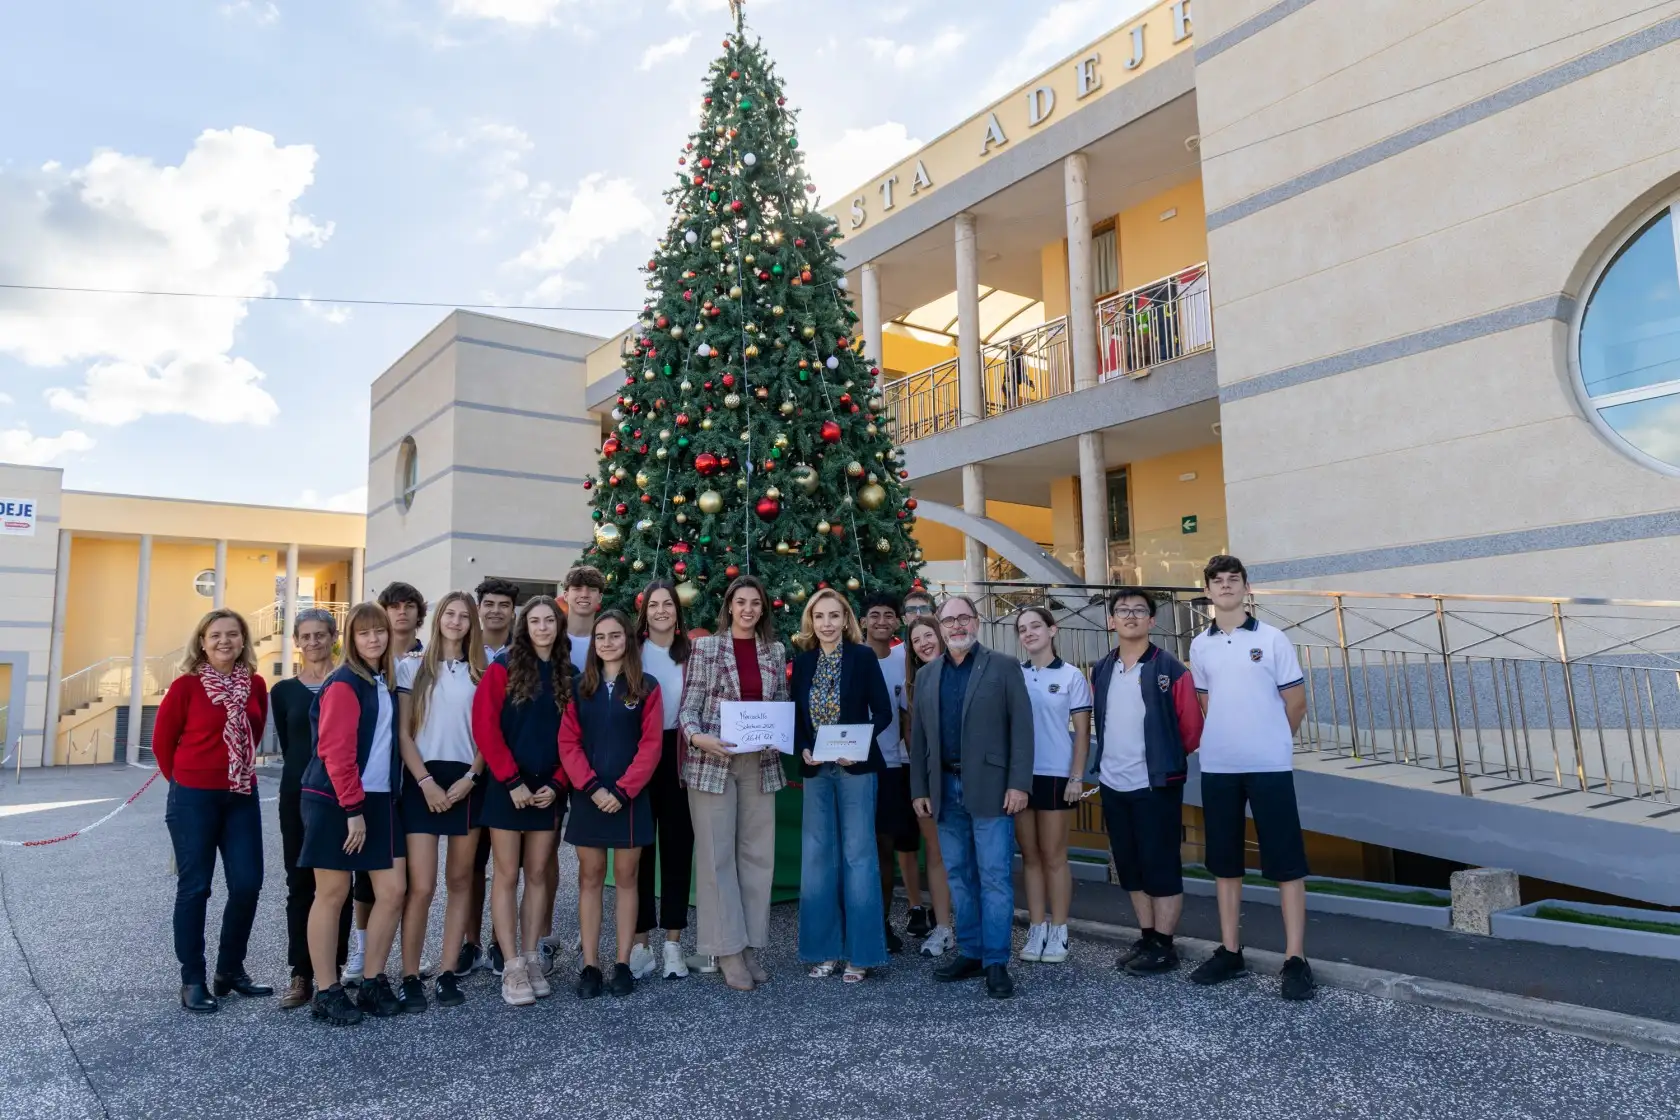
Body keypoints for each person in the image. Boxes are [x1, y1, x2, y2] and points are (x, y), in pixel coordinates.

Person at [1188, 555, 1314, 1000]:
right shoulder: (1199, 646)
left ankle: (1295, 959)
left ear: (1246, 587)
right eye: (1217, 580)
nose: (1225, 586)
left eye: (1233, 579)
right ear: (1207, 590)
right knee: (1224, 862)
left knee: (1285, 862)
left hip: (1269, 766)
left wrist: (1273, 740)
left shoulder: (1274, 639)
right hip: (1219, 765)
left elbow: (1295, 703)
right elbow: (1206, 703)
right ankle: (1229, 951)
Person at [909, 595, 1033, 999]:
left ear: (976, 622)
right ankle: (972, 952)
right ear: (940, 627)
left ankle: (996, 961)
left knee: (995, 877)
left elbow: (1022, 729)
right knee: (959, 876)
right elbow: (920, 740)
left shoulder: (1002, 666)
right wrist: (920, 790)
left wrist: (1019, 784)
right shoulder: (928, 676)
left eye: (964, 618)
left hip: (993, 790)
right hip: (944, 789)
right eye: (949, 620)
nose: (956, 626)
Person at [153, 608, 271, 1014]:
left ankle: (229, 971)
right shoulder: (185, 687)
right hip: (193, 799)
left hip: (241, 795)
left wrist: (231, 776)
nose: (224, 641)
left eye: (233, 634)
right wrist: (187, 786)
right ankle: (193, 979)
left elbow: (255, 735)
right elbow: (162, 745)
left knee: (247, 884)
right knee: (195, 888)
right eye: (215, 635)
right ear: (202, 642)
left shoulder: (256, 685)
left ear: (243, 641)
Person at [679, 574, 790, 993]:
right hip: (713, 761)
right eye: (740, 602)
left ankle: (749, 946)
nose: (748, 609)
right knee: (716, 856)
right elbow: (689, 707)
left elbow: (779, 703)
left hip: (759, 763)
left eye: (755, 603)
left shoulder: (775, 651)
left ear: (763, 610)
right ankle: (725, 949)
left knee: (757, 857)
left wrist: (779, 729)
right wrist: (696, 737)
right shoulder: (705, 647)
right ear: (729, 607)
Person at [299, 602, 407, 1026]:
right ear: (352, 639)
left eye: (379, 630)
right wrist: (352, 809)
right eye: (364, 633)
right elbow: (336, 752)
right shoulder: (344, 682)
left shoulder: (385, 679)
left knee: (394, 890)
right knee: (332, 893)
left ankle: (372, 981)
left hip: (379, 799)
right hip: (336, 801)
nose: (374, 638)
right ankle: (326, 991)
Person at [1085, 588, 1202, 975]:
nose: (1130, 616)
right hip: (1114, 783)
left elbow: (1191, 729)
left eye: (1139, 610)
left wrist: (1164, 757)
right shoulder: (1101, 669)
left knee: (1161, 865)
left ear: (1152, 621)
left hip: (1155, 784)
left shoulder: (1171, 669)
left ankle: (1165, 947)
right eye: (1122, 610)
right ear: (1111, 620)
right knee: (1131, 865)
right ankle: (1147, 935)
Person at [560, 610, 664, 999]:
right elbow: (568, 743)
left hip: (629, 798)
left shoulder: (647, 688)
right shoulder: (578, 687)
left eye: (615, 635)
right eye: (601, 637)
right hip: (589, 795)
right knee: (589, 877)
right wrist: (591, 787)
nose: (607, 642)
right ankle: (590, 964)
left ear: (628, 640)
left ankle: (622, 962)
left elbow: (651, 746)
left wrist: (622, 791)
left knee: (627, 877)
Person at [793, 589, 894, 984]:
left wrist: (862, 745)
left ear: (847, 619)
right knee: (817, 861)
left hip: (856, 769)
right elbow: (798, 718)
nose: (827, 624)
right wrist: (803, 748)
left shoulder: (863, 657)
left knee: (859, 858)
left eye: (834, 616)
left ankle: (862, 954)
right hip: (818, 771)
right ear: (811, 621)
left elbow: (883, 712)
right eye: (820, 616)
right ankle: (824, 951)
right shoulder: (802, 663)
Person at [473, 596, 569, 1006]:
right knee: (507, 874)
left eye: (550, 620)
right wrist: (511, 780)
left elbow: (576, 739)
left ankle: (531, 957)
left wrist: (560, 783)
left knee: (538, 875)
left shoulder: (571, 674)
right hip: (506, 787)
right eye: (535, 620)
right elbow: (485, 727)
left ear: (558, 626)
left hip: (549, 788)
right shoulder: (503, 668)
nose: (543, 627)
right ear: (524, 625)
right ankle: (510, 965)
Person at [395, 591, 488, 1011]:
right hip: (423, 779)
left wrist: (472, 776)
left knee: (461, 881)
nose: (455, 621)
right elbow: (403, 734)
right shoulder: (411, 667)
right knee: (422, 886)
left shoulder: (482, 672)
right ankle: (411, 974)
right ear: (437, 620)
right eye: (449, 614)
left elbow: (490, 733)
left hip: (466, 780)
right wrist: (425, 781)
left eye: (463, 616)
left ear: (472, 623)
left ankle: (448, 971)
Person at [341, 581, 427, 984]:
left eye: (410, 606)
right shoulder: (360, 670)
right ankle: (362, 953)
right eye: (394, 607)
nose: (402, 613)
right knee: (366, 880)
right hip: (361, 789)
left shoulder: (425, 659)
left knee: (400, 880)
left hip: (403, 783)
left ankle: (393, 960)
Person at [270, 608, 350, 1010]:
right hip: (297, 797)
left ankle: (332, 971)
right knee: (300, 884)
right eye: (306, 636)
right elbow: (292, 745)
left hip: (342, 797)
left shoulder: (350, 680)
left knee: (340, 887)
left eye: (321, 635)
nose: (314, 642)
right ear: (297, 641)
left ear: (334, 636)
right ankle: (301, 973)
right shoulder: (283, 692)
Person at [1013, 607, 1093, 966]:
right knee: (1029, 856)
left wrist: (1077, 777)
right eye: (1022, 629)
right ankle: (1037, 926)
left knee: (1055, 856)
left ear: (1052, 630)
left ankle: (1060, 929)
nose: (1028, 633)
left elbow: (1081, 733)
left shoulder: (1072, 676)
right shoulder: (1014, 675)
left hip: (1058, 775)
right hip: (1020, 777)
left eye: (1035, 627)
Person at [629, 579, 695, 981]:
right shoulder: (633, 651)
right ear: (645, 611)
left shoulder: (692, 651)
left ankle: (673, 942)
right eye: (653, 605)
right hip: (640, 755)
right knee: (639, 850)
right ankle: (641, 943)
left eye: (667, 604)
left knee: (677, 848)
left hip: (679, 753)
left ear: (676, 610)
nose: (660, 611)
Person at [460, 576, 520, 977]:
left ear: (513, 611)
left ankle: (503, 941)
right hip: (464, 769)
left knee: (506, 864)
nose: (496, 610)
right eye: (489, 604)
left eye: (503, 604)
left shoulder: (525, 652)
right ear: (479, 609)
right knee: (468, 865)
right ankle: (470, 942)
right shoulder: (462, 650)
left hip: (508, 771)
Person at [861, 594, 916, 952]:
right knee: (853, 849)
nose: (882, 621)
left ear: (897, 622)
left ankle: (880, 923)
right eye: (874, 615)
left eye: (889, 615)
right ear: (863, 621)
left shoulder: (903, 663)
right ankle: (854, 923)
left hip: (892, 766)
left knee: (884, 847)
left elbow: (908, 717)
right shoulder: (852, 657)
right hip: (852, 765)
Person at [902, 616, 955, 957]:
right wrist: (919, 788)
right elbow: (916, 743)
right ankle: (943, 928)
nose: (923, 643)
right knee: (935, 855)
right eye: (916, 640)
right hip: (930, 782)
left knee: (969, 857)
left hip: (967, 778)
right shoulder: (918, 682)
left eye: (928, 635)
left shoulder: (970, 670)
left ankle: (973, 927)